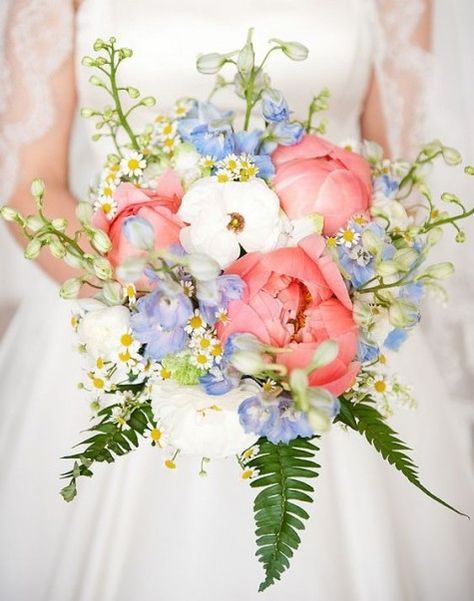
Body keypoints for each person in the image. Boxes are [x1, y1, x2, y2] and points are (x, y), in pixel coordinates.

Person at [0, 1, 472, 600]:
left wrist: (308, 297)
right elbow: (29, 183)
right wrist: (171, 308)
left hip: (320, 326)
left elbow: (401, 180)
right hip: (128, 319)